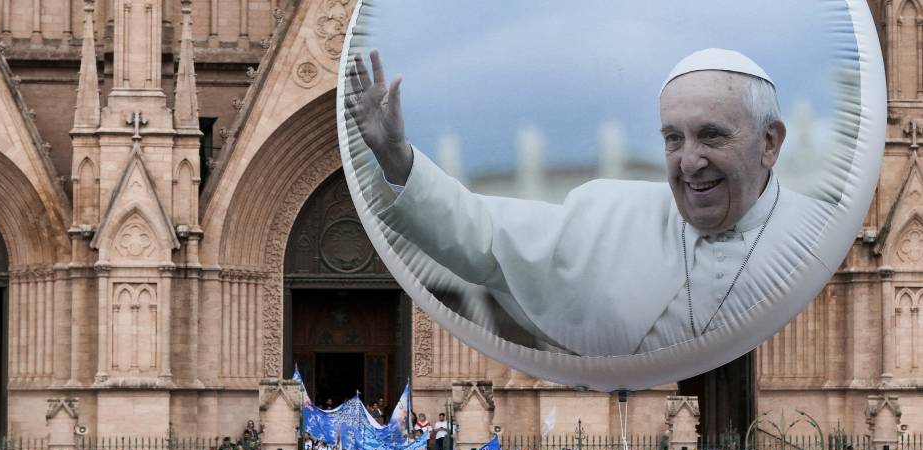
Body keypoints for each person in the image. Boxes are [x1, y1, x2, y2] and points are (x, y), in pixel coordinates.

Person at [348, 48, 828, 357]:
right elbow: (488, 236)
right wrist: (397, 159)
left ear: (770, 143)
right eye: (672, 139)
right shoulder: (611, 215)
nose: (688, 161)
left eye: (711, 136)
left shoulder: (819, 235)